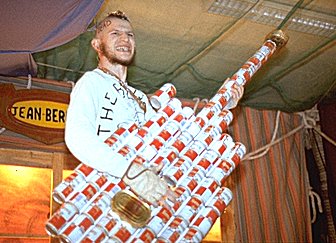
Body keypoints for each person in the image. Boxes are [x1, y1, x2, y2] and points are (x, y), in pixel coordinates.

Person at [65, 10, 173, 205]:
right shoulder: (92, 81)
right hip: (104, 198)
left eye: (130, 35)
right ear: (97, 45)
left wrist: (221, 107)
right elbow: (77, 137)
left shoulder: (140, 97)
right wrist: (129, 171)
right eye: (115, 34)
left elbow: (166, 141)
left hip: (145, 198)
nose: (125, 39)